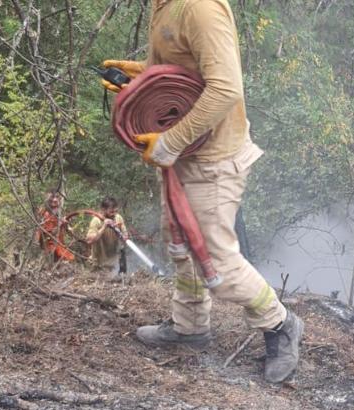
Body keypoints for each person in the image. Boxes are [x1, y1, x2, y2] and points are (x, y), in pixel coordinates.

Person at [101, 0, 303, 383]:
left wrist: (171, 140)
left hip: (213, 158)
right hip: (185, 153)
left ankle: (281, 324)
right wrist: (140, 76)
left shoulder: (199, 8)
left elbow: (225, 87)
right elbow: (186, 71)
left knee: (218, 262)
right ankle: (190, 326)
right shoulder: (165, 5)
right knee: (179, 245)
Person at [85, 196, 128, 273]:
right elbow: (89, 241)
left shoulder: (118, 218)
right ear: (103, 210)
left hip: (115, 265)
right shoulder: (96, 221)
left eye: (116, 211)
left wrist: (125, 235)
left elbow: (125, 233)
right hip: (99, 265)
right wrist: (104, 227)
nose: (114, 214)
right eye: (111, 212)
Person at [35, 192, 74, 263]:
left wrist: (68, 227)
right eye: (52, 198)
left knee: (70, 258)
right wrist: (61, 224)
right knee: (66, 258)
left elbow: (69, 232)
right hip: (49, 246)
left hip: (59, 244)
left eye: (57, 197)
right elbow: (49, 234)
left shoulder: (59, 213)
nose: (55, 200)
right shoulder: (45, 213)